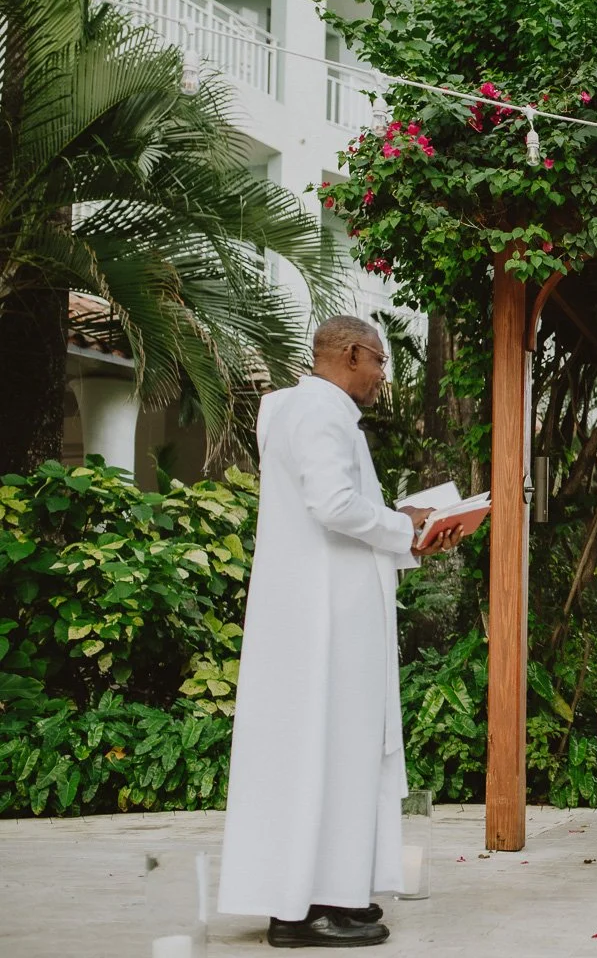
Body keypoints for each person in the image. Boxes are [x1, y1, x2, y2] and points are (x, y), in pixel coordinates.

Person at [218, 316, 459, 948]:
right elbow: (332, 506)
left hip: (326, 612)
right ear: (351, 354)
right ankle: (300, 911)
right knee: (324, 753)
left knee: (339, 754)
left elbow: (338, 513)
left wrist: (411, 533)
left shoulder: (307, 411)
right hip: (323, 620)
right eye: (379, 361)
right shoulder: (319, 412)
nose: (382, 375)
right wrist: (406, 524)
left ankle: (334, 891)